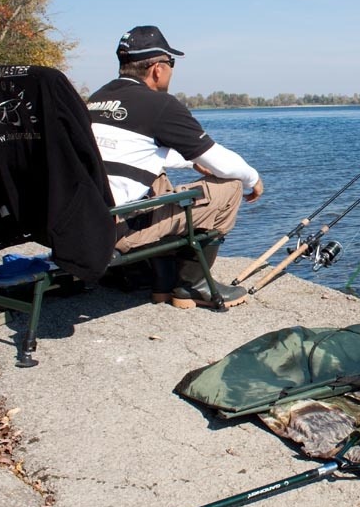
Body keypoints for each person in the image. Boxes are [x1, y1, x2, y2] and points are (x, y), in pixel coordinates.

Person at [87, 25, 263, 308]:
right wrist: (252, 178)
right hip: (117, 229)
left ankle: (157, 279)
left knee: (157, 178)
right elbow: (222, 162)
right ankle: (192, 285)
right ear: (157, 68)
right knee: (229, 187)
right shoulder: (159, 105)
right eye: (171, 63)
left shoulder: (95, 100)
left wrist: (192, 161)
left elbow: (131, 154)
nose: (171, 70)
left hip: (88, 220)